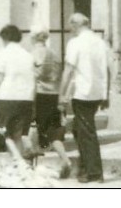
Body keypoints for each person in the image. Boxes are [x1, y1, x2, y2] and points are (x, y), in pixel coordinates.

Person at [58, 13, 112, 183]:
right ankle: (85, 166)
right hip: (97, 92)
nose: (70, 30)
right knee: (78, 129)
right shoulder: (101, 42)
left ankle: (94, 172)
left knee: (87, 132)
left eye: (70, 26)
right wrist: (106, 93)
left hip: (83, 93)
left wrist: (61, 95)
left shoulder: (76, 43)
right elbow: (108, 70)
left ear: (76, 25)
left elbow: (68, 70)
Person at [0, 24, 35, 164]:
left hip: (7, 98)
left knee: (5, 133)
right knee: (18, 135)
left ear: (5, 38)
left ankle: (18, 162)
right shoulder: (28, 55)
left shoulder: (3, 54)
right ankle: (18, 166)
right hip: (26, 99)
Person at [31, 27, 73, 179]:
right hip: (55, 94)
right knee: (54, 131)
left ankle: (33, 165)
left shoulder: (34, 54)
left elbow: (33, 76)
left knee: (35, 128)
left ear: (34, 38)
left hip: (41, 95)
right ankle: (65, 160)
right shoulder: (54, 54)